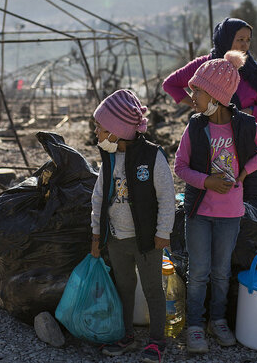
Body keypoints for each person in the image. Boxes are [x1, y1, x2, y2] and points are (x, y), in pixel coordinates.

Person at [174, 50, 257, 354]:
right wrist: (206, 181)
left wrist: (246, 171)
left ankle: (217, 320)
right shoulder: (195, 127)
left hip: (230, 214)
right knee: (198, 272)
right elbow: (180, 167)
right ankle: (195, 324)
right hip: (198, 213)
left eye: (196, 90)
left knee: (221, 272)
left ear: (215, 95)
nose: (191, 96)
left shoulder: (245, 127)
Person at [89, 89, 176, 363]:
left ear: (117, 131)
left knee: (152, 289)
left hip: (147, 240)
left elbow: (166, 196)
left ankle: (156, 340)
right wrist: (96, 234)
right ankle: (126, 335)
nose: (97, 134)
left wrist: (163, 232)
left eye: (100, 129)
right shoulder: (109, 157)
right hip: (117, 239)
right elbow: (99, 197)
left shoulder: (152, 157)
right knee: (123, 287)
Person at [163, 17, 257, 206]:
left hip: (247, 141)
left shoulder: (255, 73)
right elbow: (170, 84)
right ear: (226, 38)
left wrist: (249, 113)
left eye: (248, 40)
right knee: (208, 193)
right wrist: (198, 104)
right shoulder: (206, 66)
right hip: (210, 140)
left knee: (249, 196)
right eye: (240, 39)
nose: (244, 44)